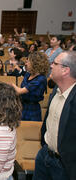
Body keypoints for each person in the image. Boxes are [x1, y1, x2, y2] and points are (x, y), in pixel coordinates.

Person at [33, 51, 76, 180]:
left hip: (64, 165)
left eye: (55, 63)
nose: (51, 66)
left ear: (65, 70)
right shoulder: (55, 91)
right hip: (45, 156)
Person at [11, 52, 49, 121]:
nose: (26, 64)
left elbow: (20, 91)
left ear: (35, 63)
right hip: (22, 106)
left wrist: (11, 84)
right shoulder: (28, 74)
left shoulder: (41, 79)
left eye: (28, 62)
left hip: (32, 109)